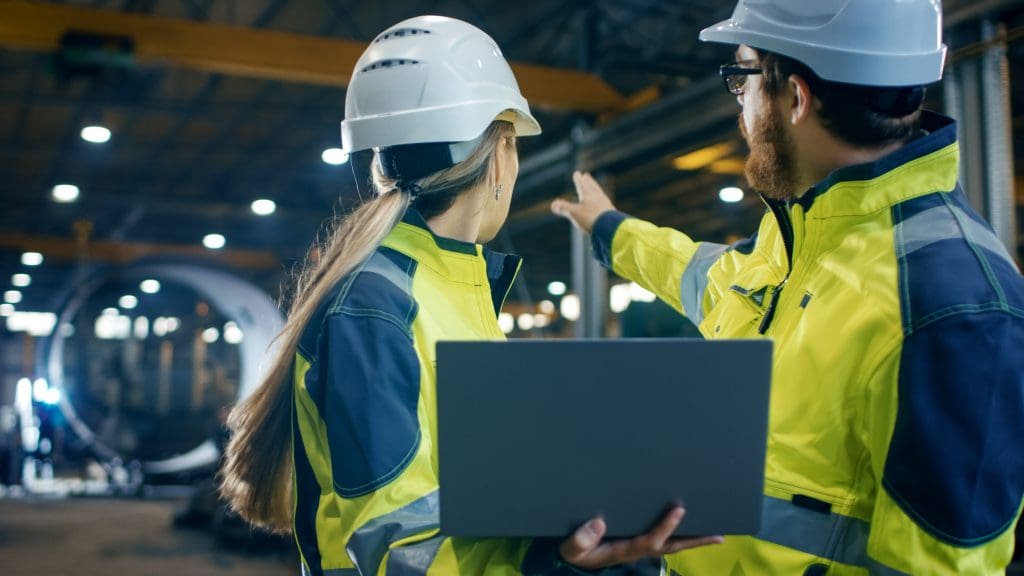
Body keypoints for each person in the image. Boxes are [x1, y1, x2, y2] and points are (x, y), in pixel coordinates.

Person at [220, 15, 721, 576]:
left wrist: (561, 549)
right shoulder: (377, 306)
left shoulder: (445, 287)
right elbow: (398, 552)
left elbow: (466, 500)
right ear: (500, 152)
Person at [552, 0, 1024, 574]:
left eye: (742, 78)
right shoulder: (802, 237)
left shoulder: (950, 309)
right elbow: (700, 275)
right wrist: (608, 227)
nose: (741, 104)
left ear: (796, 97)